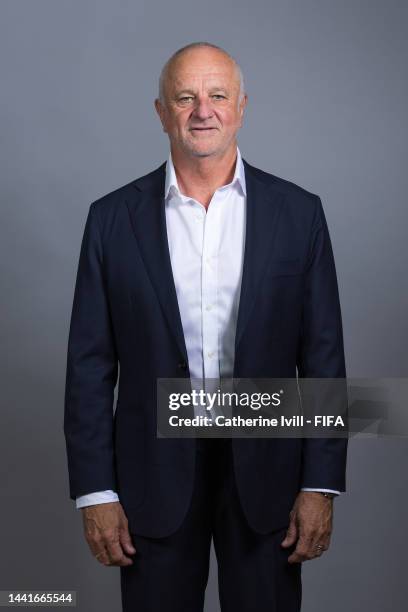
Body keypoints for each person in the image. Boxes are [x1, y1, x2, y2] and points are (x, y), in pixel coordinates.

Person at [64, 41, 348, 612]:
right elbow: (89, 367)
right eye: (185, 97)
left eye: (218, 95)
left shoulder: (299, 213)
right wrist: (95, 491)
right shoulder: (111, 219)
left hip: (267, 468)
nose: (203, 110)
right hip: (150, 473)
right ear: (161, 112)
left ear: (242, 106)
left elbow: (323, 357)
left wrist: (320, 483)